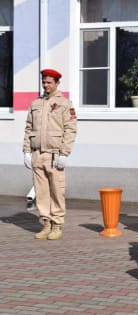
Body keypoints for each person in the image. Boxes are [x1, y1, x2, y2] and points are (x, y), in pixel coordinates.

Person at [23, 68, 77, 240]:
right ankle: (46, 223)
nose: (45, 85)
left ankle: (57, 225)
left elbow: (70, 129)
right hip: (37, 154)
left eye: (49, 82)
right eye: (44, 82)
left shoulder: (65, 103)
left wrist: (65, 153)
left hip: (55, 155)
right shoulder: (35, 104)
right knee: (41, 191)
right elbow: (28, 128)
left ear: (57, 83)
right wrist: (26, 151)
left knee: (57, 191)